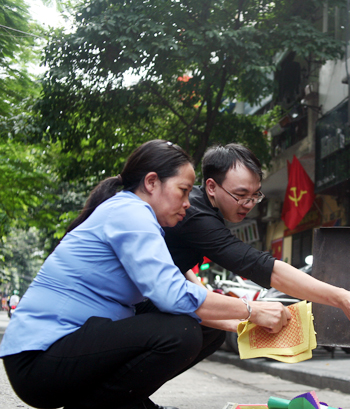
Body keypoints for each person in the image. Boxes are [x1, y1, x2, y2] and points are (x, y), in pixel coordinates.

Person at [0, 140, 291, 409]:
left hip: (58, 356)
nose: (188, 203)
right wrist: (252, 310)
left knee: (205, 328)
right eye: (183, 191)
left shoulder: (136, 215)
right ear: (152, 182)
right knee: (181, 334)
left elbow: (177, 290)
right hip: (39, 360)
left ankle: (131, 402)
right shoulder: (131, 212)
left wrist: (239, 322)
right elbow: (172, 295)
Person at [160, 143, 350, 338]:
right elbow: (261, 265)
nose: (249, 204)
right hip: (138, 305)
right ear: (211, 186)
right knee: (185, 334)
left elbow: (178, 265)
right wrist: (341, 297)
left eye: (255, 195)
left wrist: (235, 323)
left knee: (210, 332)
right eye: (240, 195)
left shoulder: (203, 206)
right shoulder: (195, 214)